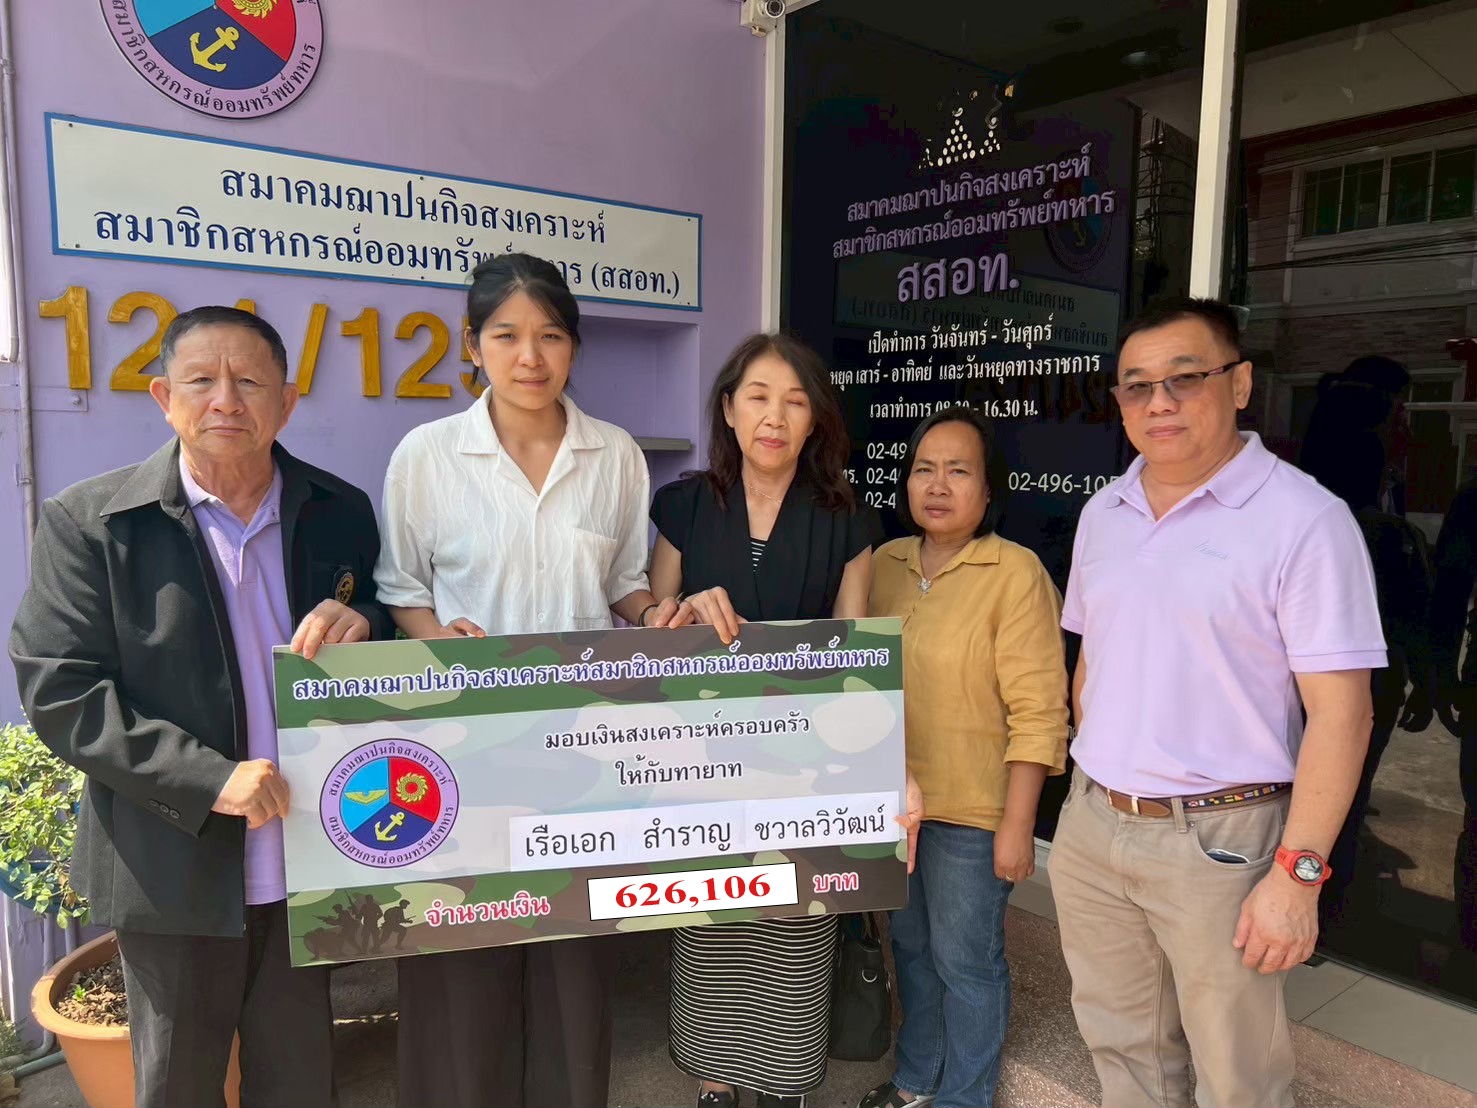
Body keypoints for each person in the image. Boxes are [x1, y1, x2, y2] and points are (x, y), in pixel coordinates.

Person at [8, 306, 391, 1108]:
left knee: (302, 1082)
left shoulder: (341, 509)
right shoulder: (93, 523)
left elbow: (382, 633)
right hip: (172, 863)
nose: (226, 400)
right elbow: (61, 687)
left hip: (314, 852)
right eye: (200, 380)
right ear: (163, 397)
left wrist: (367, 621)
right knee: (178, 1083)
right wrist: (208, 778)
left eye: (249, 381)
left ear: (286, 401)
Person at [1048, 298, 1386, 1108]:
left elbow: (1343, 716)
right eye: (1136, 386)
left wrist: (1297, 876)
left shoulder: (1303, 520)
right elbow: (1092, 661)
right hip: (1094, 825)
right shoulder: (1104, 513)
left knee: (1238, 1077)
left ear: (1238, 385)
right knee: (1120, 1046)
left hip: (1222, 841)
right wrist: (1091, 787)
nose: (1158, 402)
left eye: (1184, 378)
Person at [375, 253, 677, 1108]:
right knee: (462, 962)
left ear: (574, 346)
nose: (530, 357)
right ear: (472, 346)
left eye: (550, 336)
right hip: (461, 746)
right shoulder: (428, 455)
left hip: (581, 748)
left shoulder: (614, 455)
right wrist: (443, 644)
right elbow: (402, 590)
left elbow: (623, 584)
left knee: (571, 966)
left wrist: (658, 615)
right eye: (506, 336)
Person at [648, 333, 884, 1108]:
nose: (774, 416)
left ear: (816, 420)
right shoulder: (683, 505)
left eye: (794, 400)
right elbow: (652, 630)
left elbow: (855, 657)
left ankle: (784, 1083)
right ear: (728, 409)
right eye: (757, 396)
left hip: (804, 766)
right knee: (710, 923)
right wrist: (678, 613)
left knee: (794, 924)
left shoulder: (848, 519)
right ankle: (715, 1083)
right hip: (701, 763)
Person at [861, 408, 1069, 1108]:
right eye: (924, 469)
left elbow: (1039, 712)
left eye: (958, 470)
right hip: (895, 806)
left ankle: (965, 1097)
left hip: (974, 815)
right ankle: (917, 1076)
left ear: (988, 489)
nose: (938, 485)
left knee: (966, 964)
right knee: (912, 952)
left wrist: (1018, 825)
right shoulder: (882, 563)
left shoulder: (1014, 572)